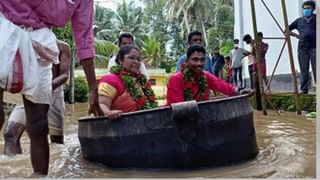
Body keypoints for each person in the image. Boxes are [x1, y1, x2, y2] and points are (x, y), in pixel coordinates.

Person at [0, 1, 103, 175]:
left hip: (40, 44)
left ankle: (40, 176)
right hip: (3, 26)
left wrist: (93, 88)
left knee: (39, 124)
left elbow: (84, 39)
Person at [4, 40, 71, 155]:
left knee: (56, 142)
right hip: (29, 93)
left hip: (53, 94)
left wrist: (44, 88)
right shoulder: (23, 41)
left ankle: (54, 169)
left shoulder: (62, 47)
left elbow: (64, 75)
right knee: (10, 134)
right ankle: (14, 170)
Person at [166, 45, 254, 105]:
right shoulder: (176, 79)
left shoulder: (206, 76)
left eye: (202, 60)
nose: (199, 63)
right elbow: (177, 109)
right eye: (195, 60)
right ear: (187, 61)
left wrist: (239, 91)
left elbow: (223, 86)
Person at [99, 45, 158, 120]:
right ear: (120, 60)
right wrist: (109, 113)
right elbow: (100, 104)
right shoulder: (110, 80)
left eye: (138, 59)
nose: (136, 62)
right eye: (131, 58)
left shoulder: (142, 82)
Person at [289, 0, 316, 94]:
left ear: (313, 9)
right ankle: (304, 89)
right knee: (304, 69)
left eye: (308, 8)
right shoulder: (299, 21)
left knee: (316, 68)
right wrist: (296, 36)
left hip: (315, 47)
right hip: (302, 48)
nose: (306, 10)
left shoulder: (317, 19)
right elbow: (287, 29)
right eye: (304, 8)